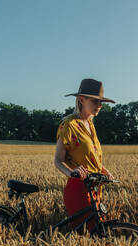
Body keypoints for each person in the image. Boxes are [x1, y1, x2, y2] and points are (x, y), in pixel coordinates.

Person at [54, 78, 115, 234]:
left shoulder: (91, 125)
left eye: (101, 102)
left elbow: (89, 158)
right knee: (87, 237)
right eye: (95, 101)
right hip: (78, 189)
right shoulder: (68, 124)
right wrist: (72, 173)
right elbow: (58, 160)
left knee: (96, 234)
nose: (100, 105)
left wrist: (103, 169)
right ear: (81, 99)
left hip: (94, 187)